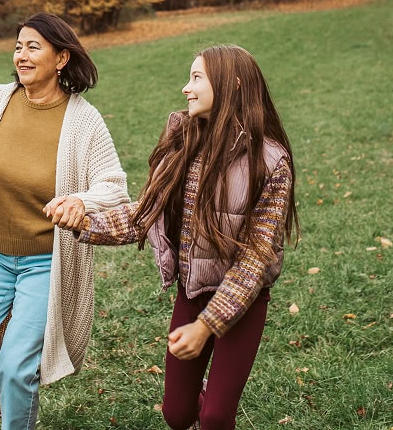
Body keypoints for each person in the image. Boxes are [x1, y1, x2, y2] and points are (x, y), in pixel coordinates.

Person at [58, 44, 299, 429]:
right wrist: (83, 222)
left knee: (217, 418)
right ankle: (204, 391)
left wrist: (207, 327)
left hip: (244, 301)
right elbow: (144, 214)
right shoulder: (183, 144)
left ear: (231, 86)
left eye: (196, 78)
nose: (186, 88)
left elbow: (256, 259)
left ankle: (216, 396)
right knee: (177, 414)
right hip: (192, 294)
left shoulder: (270, 161)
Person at [0, 12, 129, 429]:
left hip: (46, 262)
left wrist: (80, 200)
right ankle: (1, 391)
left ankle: (13, 394)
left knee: (19, 368)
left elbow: (114, 187)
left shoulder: (83, 120)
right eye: (18, 46)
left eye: (33, 47)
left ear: (61, 59)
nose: (21, 55)